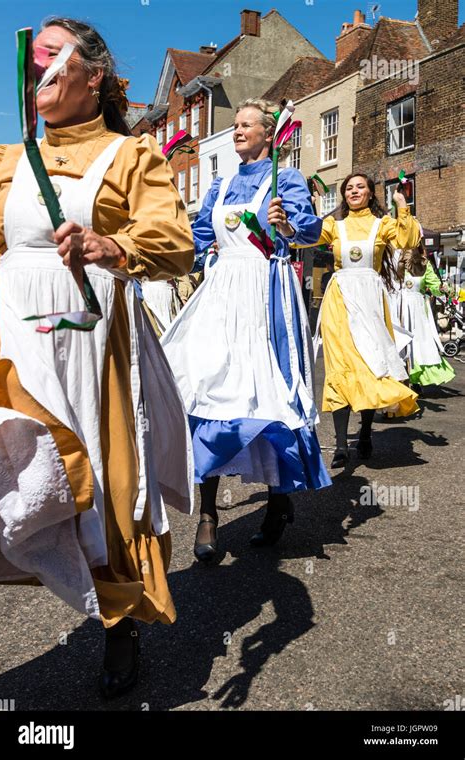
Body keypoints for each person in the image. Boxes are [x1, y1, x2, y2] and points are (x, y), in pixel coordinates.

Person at [0, 17, 194, 698]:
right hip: (13, 341)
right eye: (31, 60)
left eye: (52, 57)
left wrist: (113, 247)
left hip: (89, 341)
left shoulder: (131, 156)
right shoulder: (5, 161)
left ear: (93, 76)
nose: (36, 69)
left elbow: (172, 242)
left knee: (100, 487)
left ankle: (118, 625)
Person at [161, 98, 331, 563]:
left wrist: (289, 223)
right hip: (221, 293)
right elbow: (196, 238)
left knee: (266, 394)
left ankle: (278, 502)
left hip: (265, 294)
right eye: (234, 125)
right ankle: (208, 514)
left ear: (268, 135)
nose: (236, 131)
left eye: (245, 125)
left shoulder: (287, 179)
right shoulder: (220, 184)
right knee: (204, 387)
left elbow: (310, 232)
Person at [313, 173, 421, 468]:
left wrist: (402, 205)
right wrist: (310, 208)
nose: (353, 191)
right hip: (339, 301)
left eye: (360, 186)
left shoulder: (382, 224)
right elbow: (303, 238)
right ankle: (339, 446)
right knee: (340, 368)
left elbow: (408, 239)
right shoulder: (334, 225)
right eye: (348, 187)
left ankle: (364, 432)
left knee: (371, 363)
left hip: (371, 300)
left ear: (372, 193)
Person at [395, 244, 455, 389]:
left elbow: (434, 286)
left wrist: (442, 289)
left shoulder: (424, 265)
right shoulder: (394, 262)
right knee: (399, 345)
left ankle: (415, 381)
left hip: (418, 314)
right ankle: (399, 380)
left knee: (418, 346)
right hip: (397, 308)